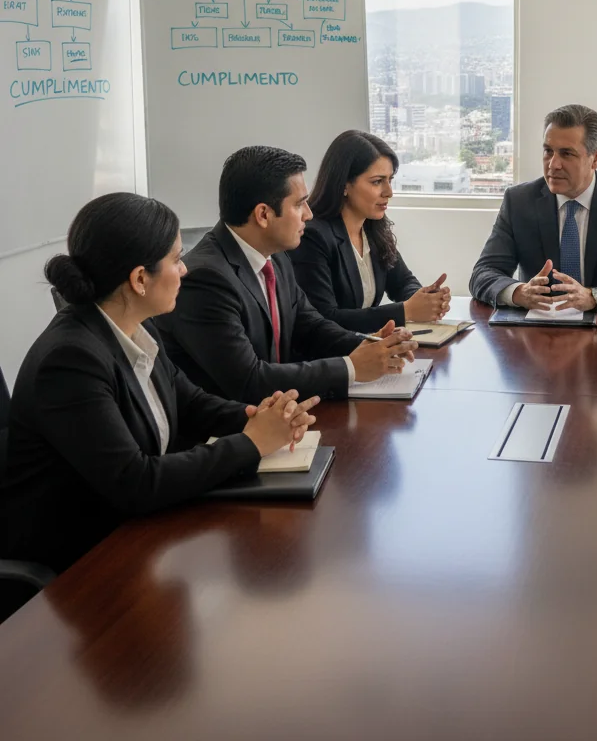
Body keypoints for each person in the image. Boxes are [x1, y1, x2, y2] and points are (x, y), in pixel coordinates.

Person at [3, 193, 318, 573]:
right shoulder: (70, 361)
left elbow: (191, 403)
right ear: (140, 279)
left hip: (138, 531)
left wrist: (262, 416)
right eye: (176, 259)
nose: (184, 270)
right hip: (80, 562)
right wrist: (252, 442)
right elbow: (135, 482)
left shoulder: (136, 326)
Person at [157, 146, 416, 406]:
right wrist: (351, 367)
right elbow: (249, 380)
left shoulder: (276, 255)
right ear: (263, 214)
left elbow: (310, 326)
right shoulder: (205, 281)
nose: (309, 214)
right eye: (299, 204)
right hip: (232, 423)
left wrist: (368, 345)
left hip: (282, 413)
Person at [469, 104, 597, 312]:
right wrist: (518, 292)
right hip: (538, 326)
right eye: (548, 151)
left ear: (596, 159)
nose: (553, 164)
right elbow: (483, 274)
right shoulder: (519, 201)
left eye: (566, 154)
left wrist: (595, 297)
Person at [290, 130, 451, 332]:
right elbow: (325, 318)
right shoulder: (312, 237)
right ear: (344, 185)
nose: (389, 192)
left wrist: (426, 299)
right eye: (377, 182)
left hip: (368, 343)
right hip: (335, 350)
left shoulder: (373, 227)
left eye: (390, 180)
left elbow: (402, 282)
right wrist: (406, 311)